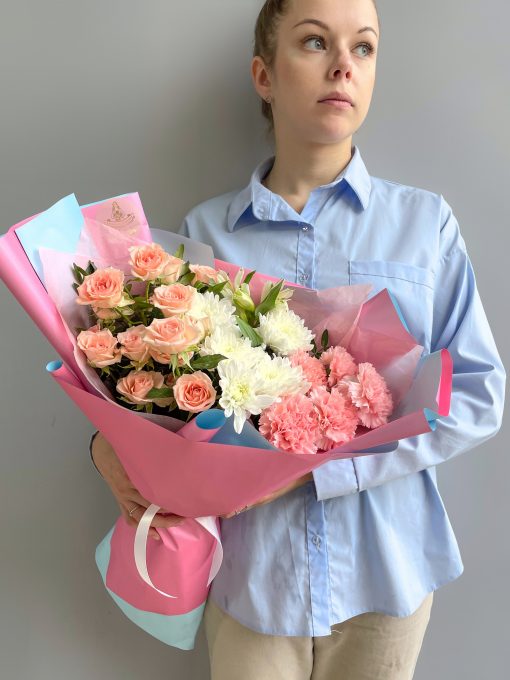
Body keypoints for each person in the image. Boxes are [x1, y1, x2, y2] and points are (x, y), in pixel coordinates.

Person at [90, 0, 506, 678]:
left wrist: (324, 471)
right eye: (315, 42)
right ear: (264, 74)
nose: (344, 65)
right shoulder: (205, 233)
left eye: (363, 47)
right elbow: (159, 397)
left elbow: (479, 393)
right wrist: (106, 445)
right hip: (251, 579)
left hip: (387, 577)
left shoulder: (424, 225)